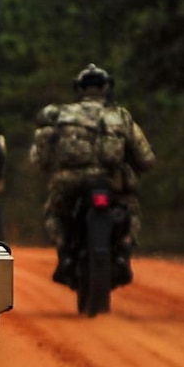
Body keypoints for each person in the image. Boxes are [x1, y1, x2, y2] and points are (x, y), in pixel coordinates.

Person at [30, 65, 157, 285]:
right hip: (111, 182)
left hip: (69, 182)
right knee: (131, 209)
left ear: (79, 89)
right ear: (106, 88)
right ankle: (125, 245)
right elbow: (145, 158)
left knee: (53, 211)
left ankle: (62, 248)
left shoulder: (62, 115)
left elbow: (41, 158)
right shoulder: (121, 117)